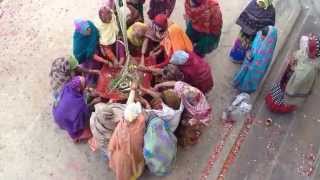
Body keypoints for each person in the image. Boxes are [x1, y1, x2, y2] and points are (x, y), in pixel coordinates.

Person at [154, 81, 211, 146]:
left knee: (187, 129)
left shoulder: (191, 116)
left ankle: (189, 140)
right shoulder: (184, 89)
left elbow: (192, 123)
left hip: (200, 118)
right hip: (202, 109)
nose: (171, 90)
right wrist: (158, 85)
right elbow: (174, 83)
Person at [108, 83, 146, 180]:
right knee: (131, 167)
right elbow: (140, 113)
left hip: (118, 154)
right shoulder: (140, 123)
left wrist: (132, 90)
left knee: (121, 170)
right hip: (130, 156)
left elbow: (128, 107)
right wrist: (144, 102)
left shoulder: (123, 123)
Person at [233, 26, 278, 93]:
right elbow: (252, 45)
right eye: (262, 36)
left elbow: (263, 61)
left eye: (264, 37)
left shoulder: (268, 46)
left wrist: (254, 63)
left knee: (252, 73)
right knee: (245, 70)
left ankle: (246, 88)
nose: (262, 38)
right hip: (250, 58)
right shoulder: (259, 35)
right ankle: (239, 83)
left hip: (257, 65)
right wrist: (249, 52)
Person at [52, 76, 92, 142]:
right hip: (63, 121)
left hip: (56, 113)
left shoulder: (67, 86)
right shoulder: (80, 104)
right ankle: (76, 137)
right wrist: (92, 102)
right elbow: (84, 116)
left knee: (69, 116)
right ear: (79, 89)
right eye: (84, 85)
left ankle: (71, 130)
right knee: (89, 133)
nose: (86, 86)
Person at [73, 19, 109, 86]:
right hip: (87, 59)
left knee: (99, 66)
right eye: (86, 30)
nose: (89, 30)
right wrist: (106, 61)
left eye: (88, 28)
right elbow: (91, 55)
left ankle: (101, 74)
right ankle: (93, 83)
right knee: (92, 71)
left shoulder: (90, 24)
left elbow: (96, 34)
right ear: (81, 32)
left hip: (95, 50)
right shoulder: (79, 43)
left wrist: (101, 47)